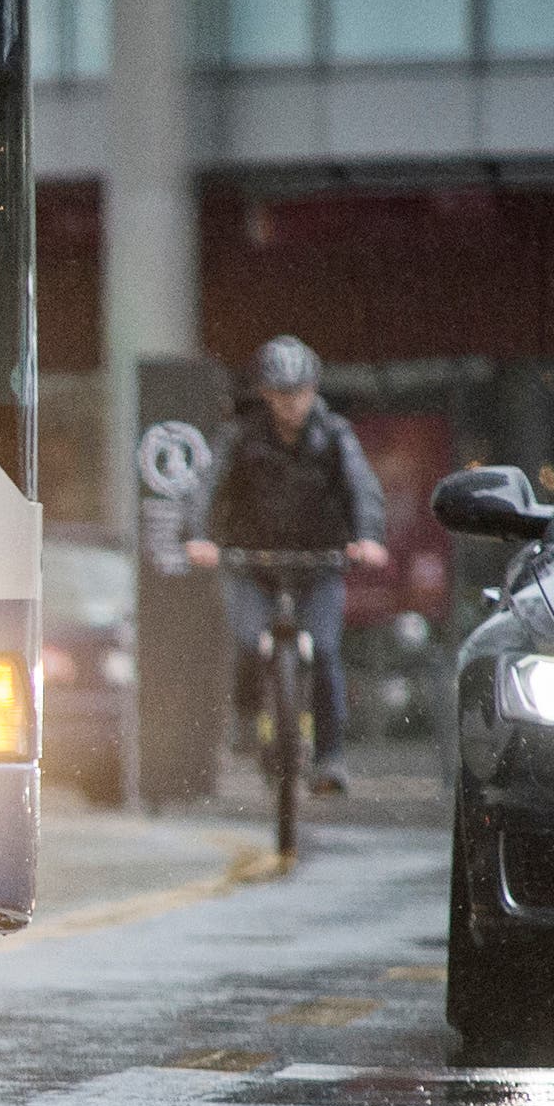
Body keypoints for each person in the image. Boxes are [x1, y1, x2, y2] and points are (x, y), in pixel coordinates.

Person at [184, 334, 391, 797]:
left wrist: (368, 537)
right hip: (251, 562)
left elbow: (362, 486)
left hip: (318, 563)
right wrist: (198, 536)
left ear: (314, 390)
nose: (290, 404)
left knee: (325, 652)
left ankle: (330, 758)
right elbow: (208, 486)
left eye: (298, 393)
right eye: (280, 393)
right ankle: (244, 719)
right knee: (247, 641)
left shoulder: (335, 435)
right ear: (264, 393)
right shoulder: (240, 436)